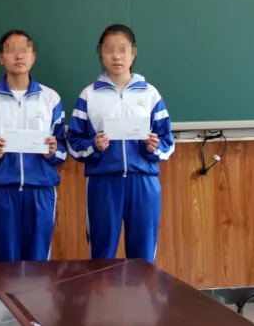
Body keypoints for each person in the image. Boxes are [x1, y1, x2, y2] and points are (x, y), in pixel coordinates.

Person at [67, 24, 174, 262]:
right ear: (100, 54)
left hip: (143, 181)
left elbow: (168, 142)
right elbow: (73, 142)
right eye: (109, 50)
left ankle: (142, 289)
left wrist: (154, 148)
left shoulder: (150, 94)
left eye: (123, 50)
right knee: (101, 255)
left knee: (143, 256)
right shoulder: (89, 95)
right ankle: (100, 289)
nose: (116, 56)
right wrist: (94, 146)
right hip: (103, 182)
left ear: (133, 53)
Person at [0, 29, 66, 261]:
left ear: (33, 57)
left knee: (38, 263)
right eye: (11, 51)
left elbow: (64, 148)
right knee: (5, 263)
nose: (19, 56)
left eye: (24, 50)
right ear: (1, 58)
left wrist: (53, 152)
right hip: (2, 192)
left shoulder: (51, 99)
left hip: (41, 190)